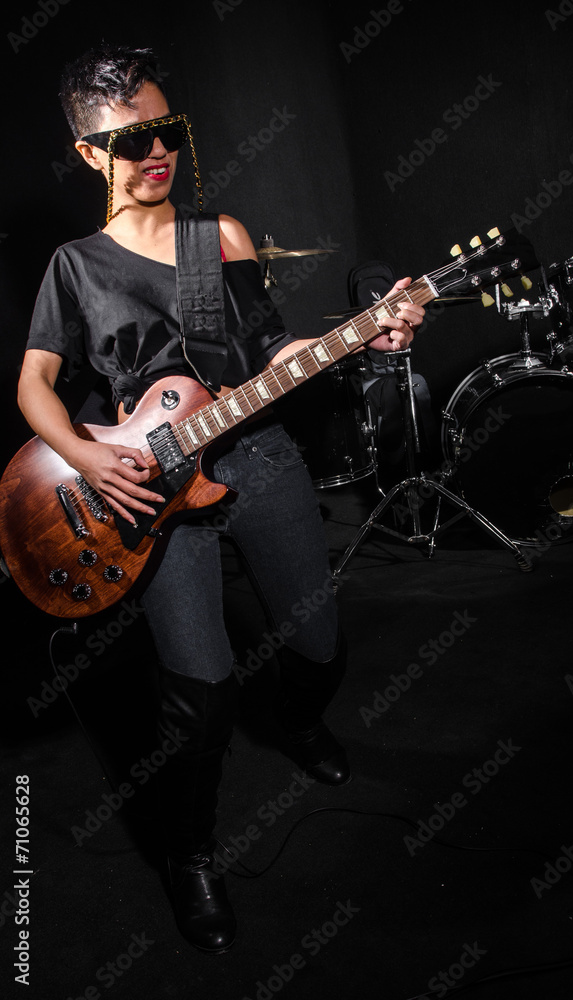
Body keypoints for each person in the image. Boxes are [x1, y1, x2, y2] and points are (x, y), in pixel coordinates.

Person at [17, 44, 425, 954]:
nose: (157, 152)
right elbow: (33, 386)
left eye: (167, 131)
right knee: (200, 696)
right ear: (89, 154)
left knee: (320, 646)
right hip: (148, 493)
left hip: (260, 459)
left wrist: (365, 336)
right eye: (132, 141)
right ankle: (190, 852)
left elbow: (274, 356)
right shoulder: (74, 266)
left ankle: (298, 721)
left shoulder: (222, 237)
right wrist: (86, 456)